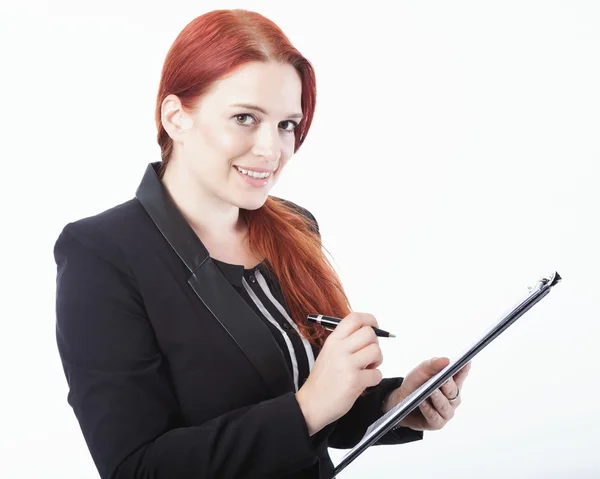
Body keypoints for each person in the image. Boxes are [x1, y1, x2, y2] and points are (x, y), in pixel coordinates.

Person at [54, 8, 471, 479]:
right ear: (176, 117)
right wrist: (308, 408)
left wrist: (395, 404)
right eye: (245, 117)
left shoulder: (294, 226)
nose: (272, 150)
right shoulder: (101, 254)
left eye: (287, 125)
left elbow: (311, 399)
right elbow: (136, 468)